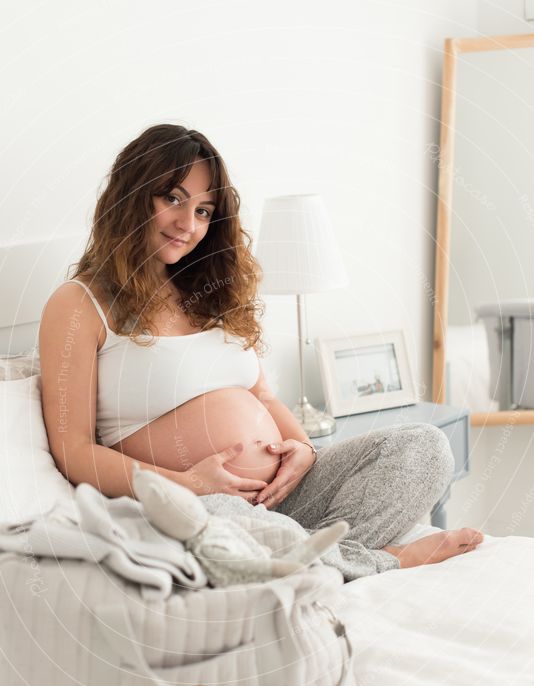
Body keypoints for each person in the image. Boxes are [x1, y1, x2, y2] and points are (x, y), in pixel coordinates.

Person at [39, 124, 483, 580]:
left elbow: (264, 397)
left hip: (285, 494)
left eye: (204, 210)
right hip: (193, 502)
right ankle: (380, 559)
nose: (188, 224)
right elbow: (72, 451)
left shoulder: (211, 292)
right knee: (224, 530)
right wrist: (188, 484)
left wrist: (304, 451)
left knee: (425, 447)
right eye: (171, 198)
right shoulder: (79, 305)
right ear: (131, 197)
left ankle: (322, 556)